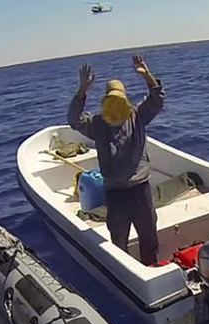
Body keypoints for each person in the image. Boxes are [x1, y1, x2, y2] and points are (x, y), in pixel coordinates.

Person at [67, 54, 166, 266]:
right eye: (110, 100)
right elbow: (74, 121)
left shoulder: (137, 116)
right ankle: (125, 275)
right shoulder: (98, 124)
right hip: (115, 192)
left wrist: (147, 74)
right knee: (118, 241)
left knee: (149, 237)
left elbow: (157, 99)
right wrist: (82, 90)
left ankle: (151, 269)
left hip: (140, 189)